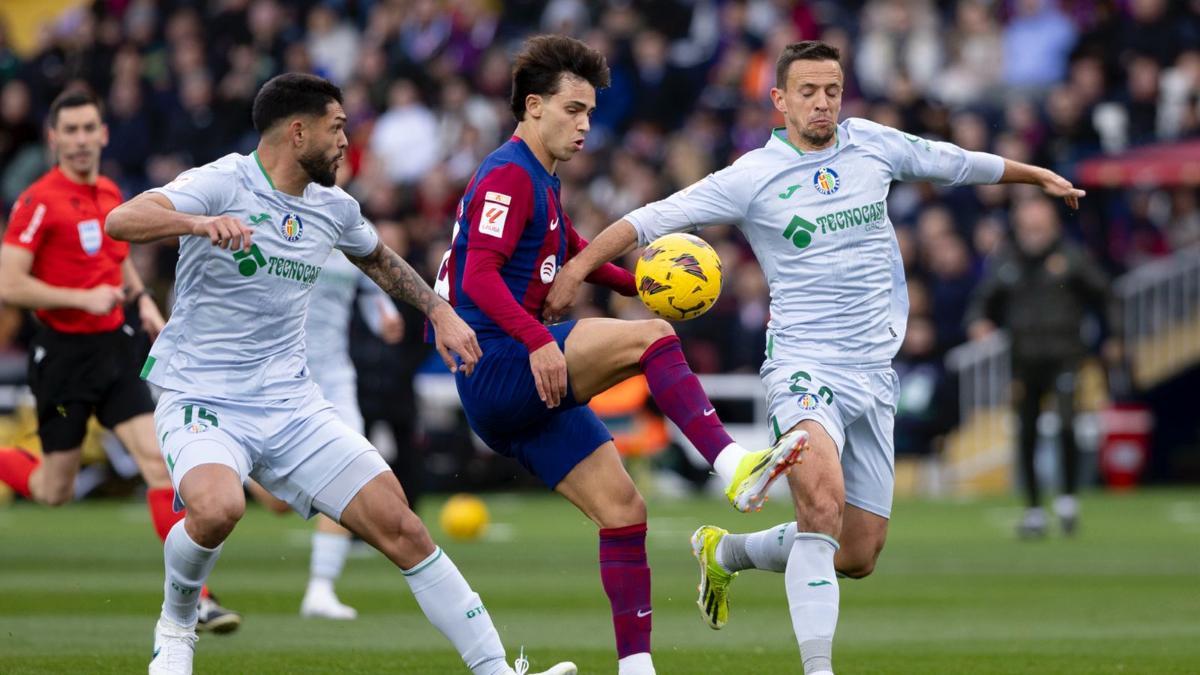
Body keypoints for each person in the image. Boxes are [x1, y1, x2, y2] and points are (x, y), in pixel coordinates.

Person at [547, 40, 1086, 675]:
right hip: (805, 369)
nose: (822, 102)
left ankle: (728, 555)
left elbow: (954, 162)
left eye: (831, 89)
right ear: (779, 100)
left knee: (858, 552)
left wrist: (1035, 175)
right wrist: (578, 269)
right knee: (821, 508)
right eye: (807, 91)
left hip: (874, 374)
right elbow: (648, 220)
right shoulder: (752, 177)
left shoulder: (872, 145)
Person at [104, 73, 575, 675]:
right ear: (296, 131)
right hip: (203, 393)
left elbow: (378, 258)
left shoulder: (333, 207)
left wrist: (439, 311)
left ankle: (495, 670)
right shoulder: (223, 181)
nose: (346, 142)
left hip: (293, 404)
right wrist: (196, 224)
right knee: (219, 509)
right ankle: (176, 623)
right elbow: (123, 220)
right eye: (337, 128)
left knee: (402, 527)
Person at [432, 35, 808, 675]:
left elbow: (578, 256)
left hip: (518, 387)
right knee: (651, 339)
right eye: (573, 110)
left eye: (589, 112)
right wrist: (534, 343)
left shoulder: (541, 181)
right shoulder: (507, 173)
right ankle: (731, 464)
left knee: (625, 511)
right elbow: (479, 280)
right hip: (499, 364)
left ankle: (637, 669)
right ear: (532, 107)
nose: (585, 126)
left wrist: (656, 287)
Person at [0, 88, 240, 634]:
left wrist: (142, 299)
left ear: (104, 134)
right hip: (62, 358)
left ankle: (196, 597)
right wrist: (79, 299)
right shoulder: (38, 201)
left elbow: (116, 257)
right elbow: (9, 282)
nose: (82, 140)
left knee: (157, 465)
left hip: (115, 349)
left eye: (91, 129)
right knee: (52, 492)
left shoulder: (110, 191)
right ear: (53, 138)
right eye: (72, 131)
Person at [966, 195, 1113, 538]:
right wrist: (979, 322)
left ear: (1052, 225)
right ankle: (1033, 508)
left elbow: (1104, 295)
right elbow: (983, 300)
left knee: (1065, 424)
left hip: (1064, 354)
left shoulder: (1071, 258)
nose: (1033, 232)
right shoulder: (1006, 260)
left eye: (1038, 225)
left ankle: (1067, 499)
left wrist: (1113, 337)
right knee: (1027, 432)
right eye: (1027, 225)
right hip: (1023, 360)